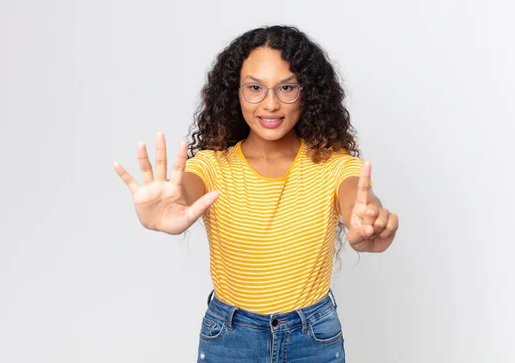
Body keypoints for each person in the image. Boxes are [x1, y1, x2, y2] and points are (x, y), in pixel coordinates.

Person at [114, 25, 399, 363]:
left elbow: (358, 199)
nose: (271, 104)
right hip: (231, 337)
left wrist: (368, 220)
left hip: (313, 337)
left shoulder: (334, 165)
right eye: (254, 88)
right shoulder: (211, 166)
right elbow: (184, 194)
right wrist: (168, 209)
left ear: (308, 92)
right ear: (234, 92)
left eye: (287, 87)